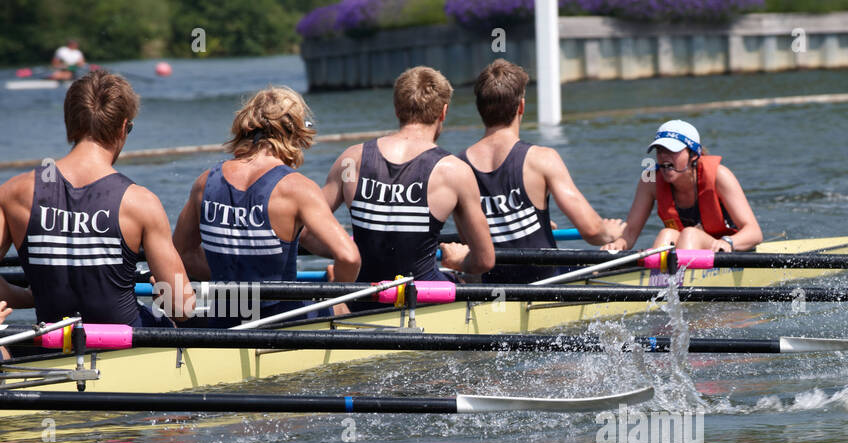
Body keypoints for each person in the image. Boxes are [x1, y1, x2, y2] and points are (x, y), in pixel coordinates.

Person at [0, 71, 192, 327]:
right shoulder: (140, 202)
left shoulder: (14, 192)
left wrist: (24, 297)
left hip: (50, 345)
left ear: (69, 122)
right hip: (127, 348)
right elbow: (182, 307)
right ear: (124, 127)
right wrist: (164, 296)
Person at [173, 86, 358, 327]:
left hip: (223, 323)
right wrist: (337, 297)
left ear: (243, 128)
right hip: (283, 324)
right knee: (342, 310)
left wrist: (235, 284)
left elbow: (180, 253)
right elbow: (349, 257)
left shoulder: (204, 182)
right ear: (297, 133)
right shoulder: (297, 188)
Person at [315, 66, 493, 293]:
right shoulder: (454, 171)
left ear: (397, 110)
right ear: (443, 113)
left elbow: (307, 232)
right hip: (424, 300)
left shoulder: (352, 158)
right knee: (471, 280)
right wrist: (459, 261)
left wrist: (347, 252)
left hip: (360, 296)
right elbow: (484, 260)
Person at [456, 59, 622, 283]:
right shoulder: (541, 159)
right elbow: (592, 232)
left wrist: (532, 222)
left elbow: (468, 237)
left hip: (490, 282)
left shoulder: (456, 166)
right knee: (606, 259)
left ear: (479, 109)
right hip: (543, 281)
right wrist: (611, 233)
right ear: (521, 107)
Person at [603, 120, 761, 254]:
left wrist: (728, 242)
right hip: (688, 251)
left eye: (672, 150)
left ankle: (675, 285)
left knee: (690, 233)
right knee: (667, 234)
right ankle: (659, 284)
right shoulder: (649, 179)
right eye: (660, 151)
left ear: (693, 155)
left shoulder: (720, 175)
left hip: (726, 251)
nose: (664, 157)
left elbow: (754, 233)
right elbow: (630, 232)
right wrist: (617, 245)